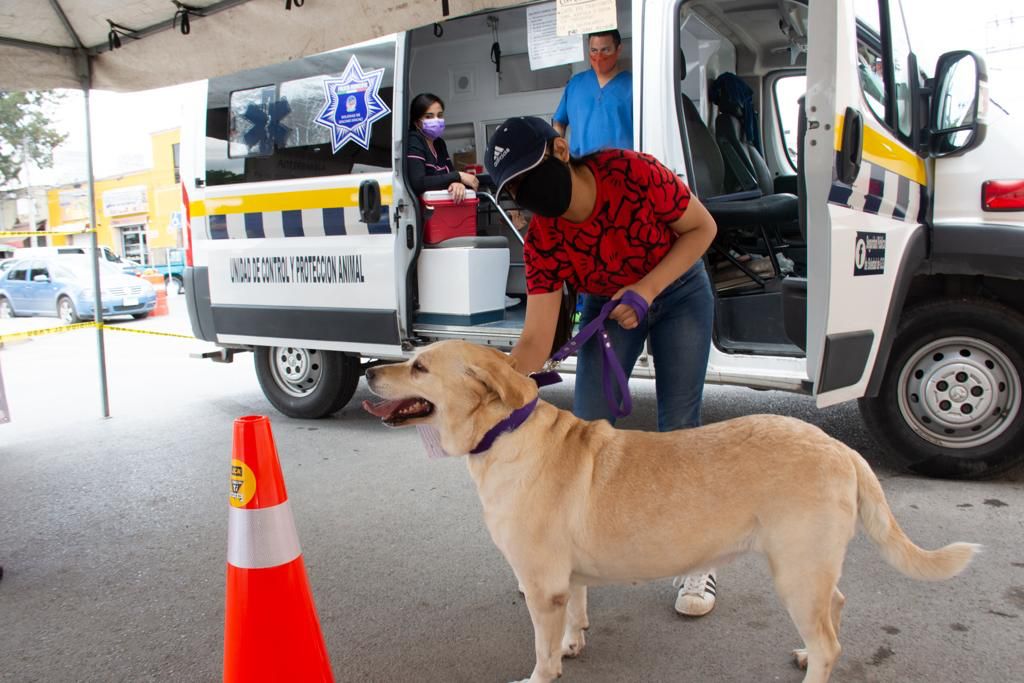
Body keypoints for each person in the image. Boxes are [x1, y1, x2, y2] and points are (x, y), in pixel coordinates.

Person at [484, 116, 721, 618]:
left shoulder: (632, 173)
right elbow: (536, 336)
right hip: (607, 305)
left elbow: (703, 229)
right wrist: (496, 386)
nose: (528, 194)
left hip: (678, 291)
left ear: (562, 150)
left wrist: (649, 289)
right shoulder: (542, 239)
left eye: (531, 175)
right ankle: (574, 558)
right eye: (516, 189)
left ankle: (699, 558)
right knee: (587, 429)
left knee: (680, 426)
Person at [552, 29, 632, 157]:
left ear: (618, 49)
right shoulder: (575, 85)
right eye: (594, 50)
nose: (599, 57)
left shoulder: (632, 86)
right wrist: (557, 155)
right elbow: (559, 122)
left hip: (621, 168)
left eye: (605, 50)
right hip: (582, 170)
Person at [406, 93, 479, 201]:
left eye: (439, 115)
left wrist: (456, 183)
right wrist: (458, 176)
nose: (436, 120)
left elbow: (449, 173)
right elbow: (418, 183)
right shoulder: (414, 140)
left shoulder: (439, 143)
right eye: (428, 116)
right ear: (417, 123)